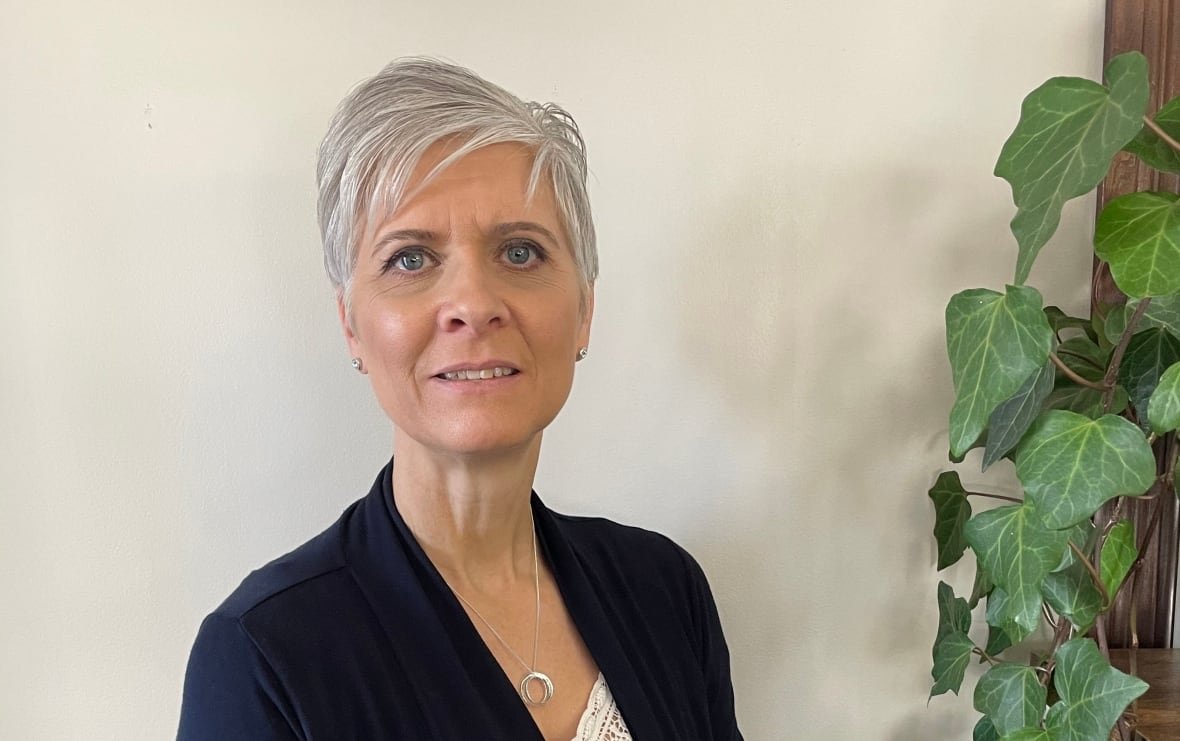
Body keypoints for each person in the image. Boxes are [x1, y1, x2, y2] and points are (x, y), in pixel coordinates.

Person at [178, 57, 742, 741]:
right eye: (411, 258)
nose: (474, 305)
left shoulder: (664, 591)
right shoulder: (266, 654)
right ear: (352, 324)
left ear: (584, 310)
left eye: (521, 252)